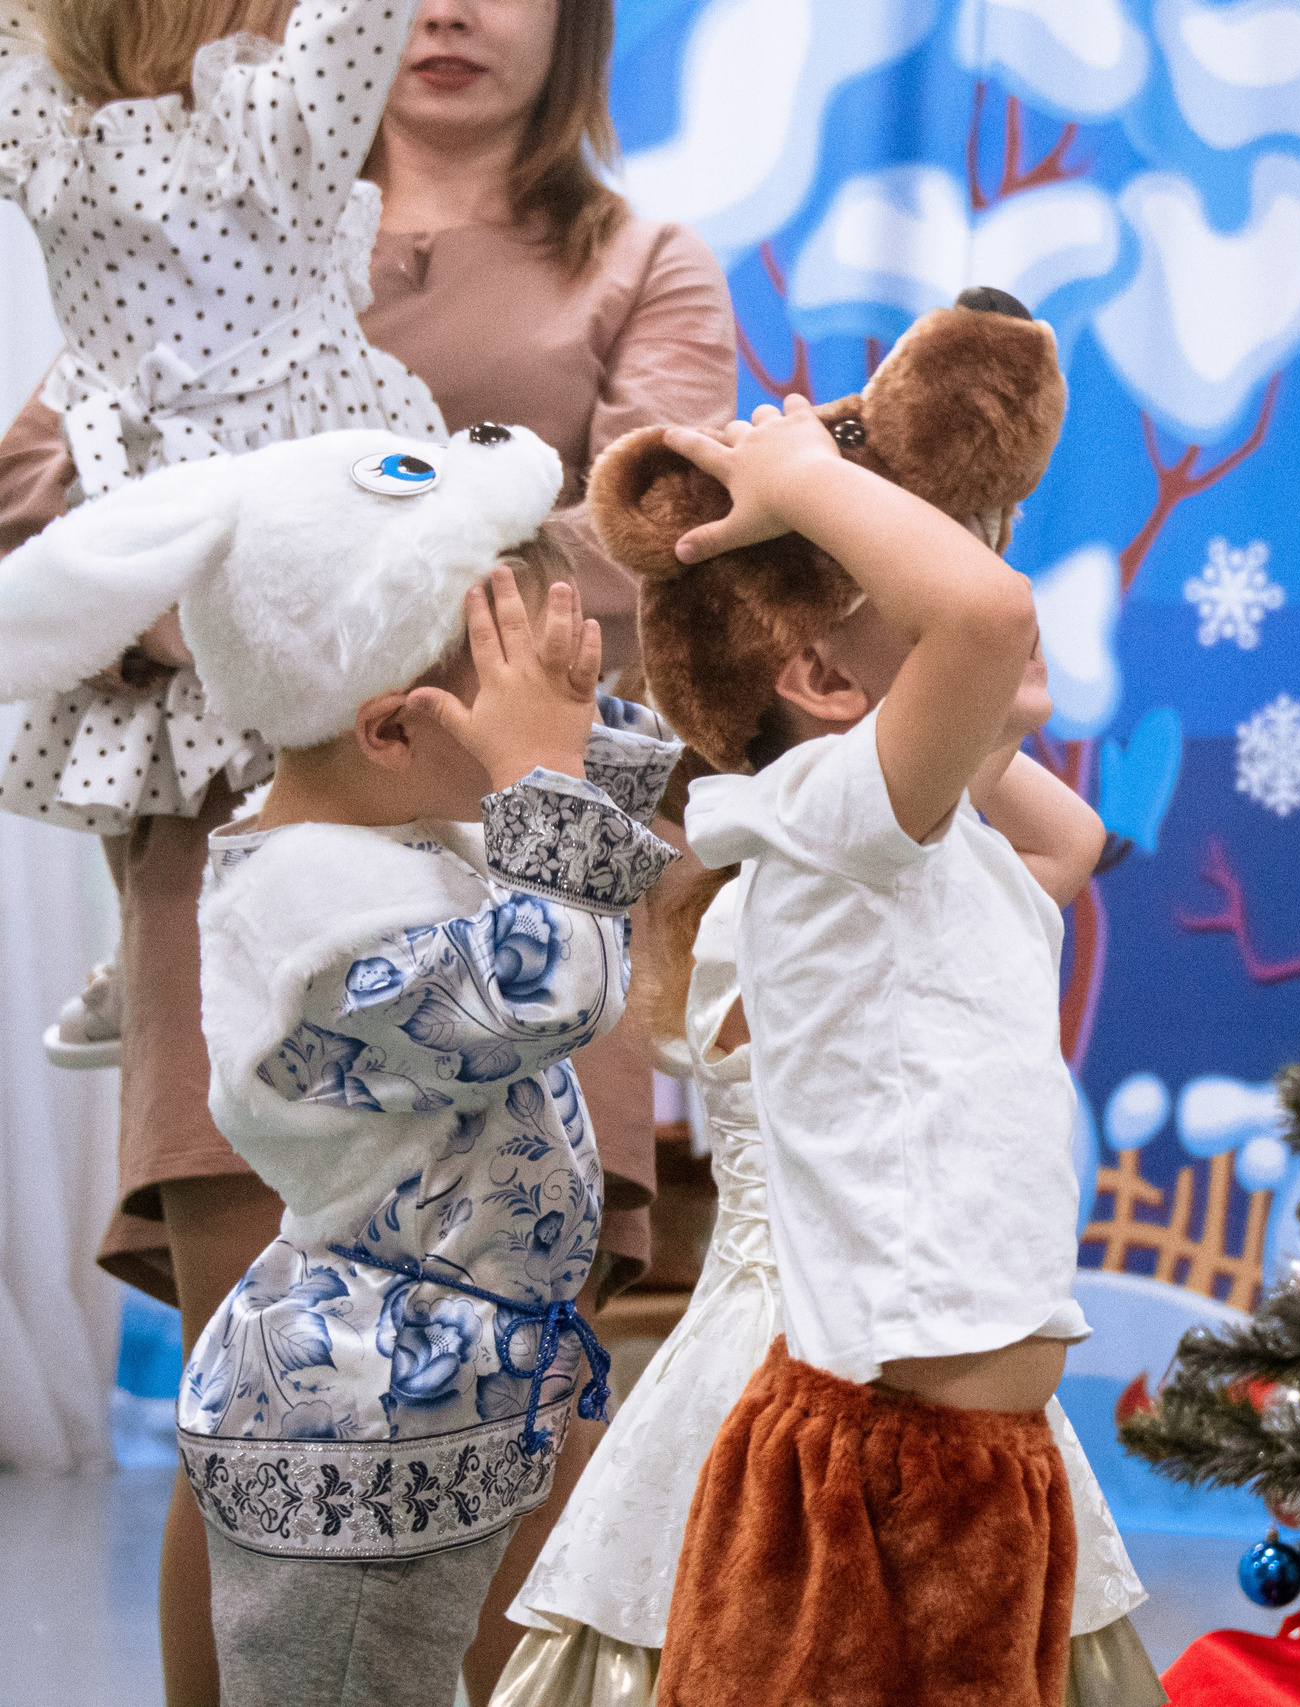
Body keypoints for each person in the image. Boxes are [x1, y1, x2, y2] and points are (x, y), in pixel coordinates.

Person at [0, 3, 733, 1696]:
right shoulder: (209, 209)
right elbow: (51, 506)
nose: (463, 10)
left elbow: (647, 546)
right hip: (246, 869)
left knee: (525, 1375)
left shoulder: (640, 262)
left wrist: (350, 590)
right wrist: (204, 620)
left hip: (524, 844)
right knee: (259, 1382)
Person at [618, 386, 1102, 1707]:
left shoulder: (932, 842)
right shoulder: (832, 818)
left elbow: (1064, 840)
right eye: (916, 549)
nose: (991, 572)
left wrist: (964, 713)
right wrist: (804, 481)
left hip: (980, 1455)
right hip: (885, 1462)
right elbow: (985, 623)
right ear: (826, 682)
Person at [491, 853, 1163, 1707]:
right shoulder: (778, 905)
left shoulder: (851, 895)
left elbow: (1068, 838)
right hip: (810, 1332)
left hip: (895, 1320)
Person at [0, 0, 443, 1053]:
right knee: (351, 711)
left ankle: (143, 948)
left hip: (131, 488)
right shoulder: (278, 126)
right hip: (295, 487)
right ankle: (366, 925)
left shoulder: (43, 138)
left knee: (135, 728)